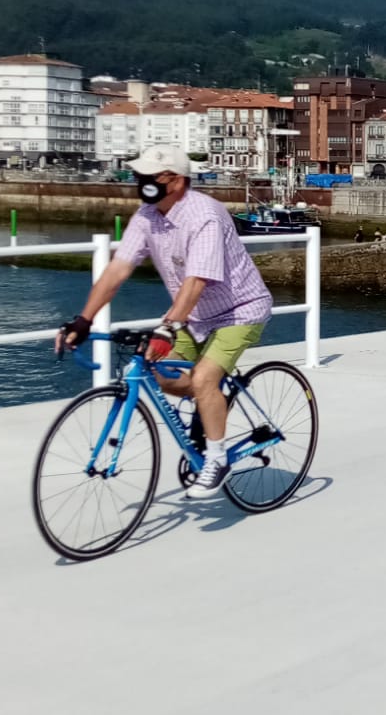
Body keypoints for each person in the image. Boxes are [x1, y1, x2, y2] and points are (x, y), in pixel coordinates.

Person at [54, 146, 274, 494]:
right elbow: (118, 269)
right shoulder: (147, 215)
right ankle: (210, 403)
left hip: (239, 310)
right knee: (161, 375)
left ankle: (217, 459)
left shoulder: (204, 215)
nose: (141, 182)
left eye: (151, 177)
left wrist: (167, 327)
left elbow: (197, 280)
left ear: (176, 180)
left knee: (202, 378)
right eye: (140, 175)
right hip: (193, 315)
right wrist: (83, 320)